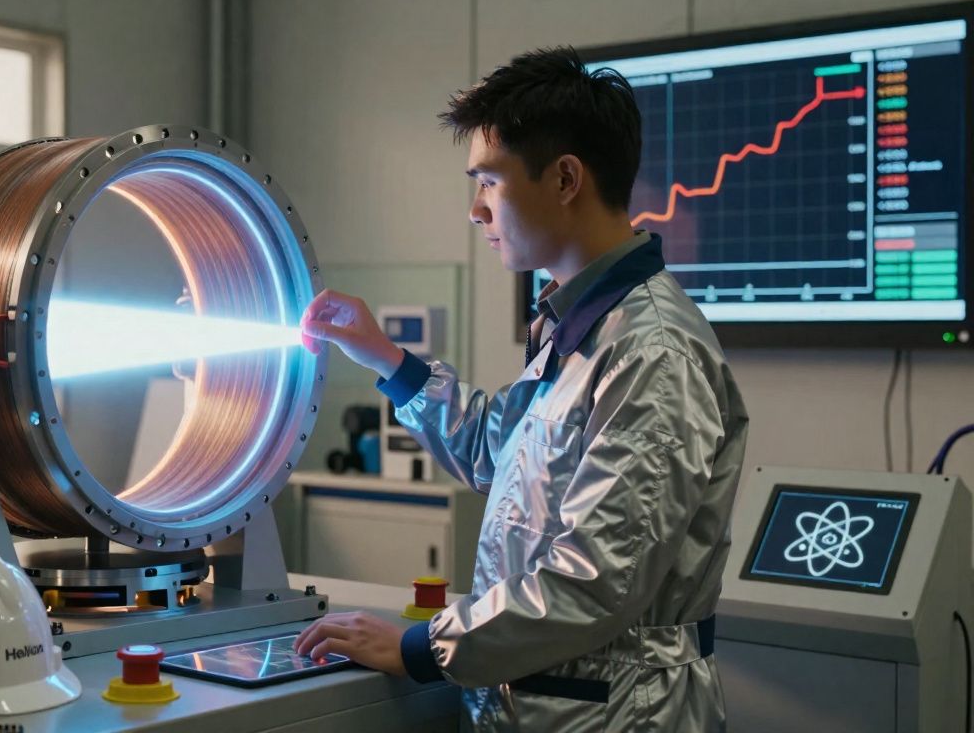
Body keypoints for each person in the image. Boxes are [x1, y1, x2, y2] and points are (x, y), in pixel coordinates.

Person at [293, 46, 749, 732]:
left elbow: (598, 578)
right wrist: (384, 356)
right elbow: (498, 449)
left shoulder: (651, 350)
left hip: (617, 716)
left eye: (489, 182)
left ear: (566, 178)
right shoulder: (578, 324)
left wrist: (421, 645)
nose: (476, 211)